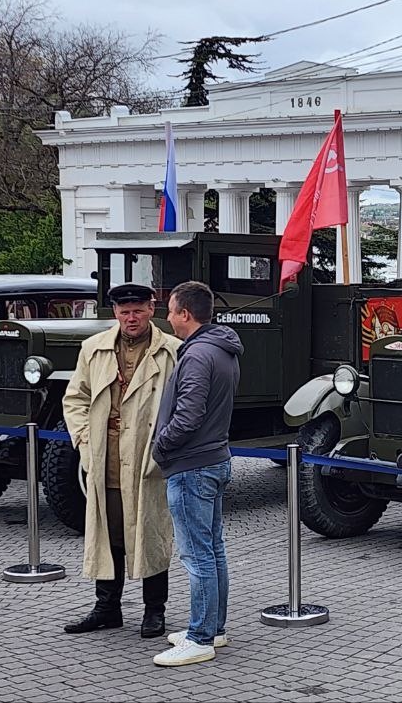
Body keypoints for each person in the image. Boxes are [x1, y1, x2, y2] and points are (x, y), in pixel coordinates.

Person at [61, 283, 181, 639]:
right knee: (108, 529)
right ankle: (106, 608)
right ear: (114, 312)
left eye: (138, 310)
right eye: (125, 311)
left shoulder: (172, 351)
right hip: (105, 451)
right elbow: (75, 399)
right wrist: (84, 440)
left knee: (151, 530)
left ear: (151, 308)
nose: (132, 318)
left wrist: (165, 448)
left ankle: (154, 610)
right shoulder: (93, 349)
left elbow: (182, 404)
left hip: (147, 453)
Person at [152, 281, 242, 667]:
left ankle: (200, 636)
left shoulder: (197, 355)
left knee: (197, 555)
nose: (167, 317)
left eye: (170, 311)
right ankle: (213, 628)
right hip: (214, 458)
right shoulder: (221, 348)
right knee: (213, 549)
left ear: (185, 314)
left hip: (192, 465)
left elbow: (188, 415)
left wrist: (161, 446)